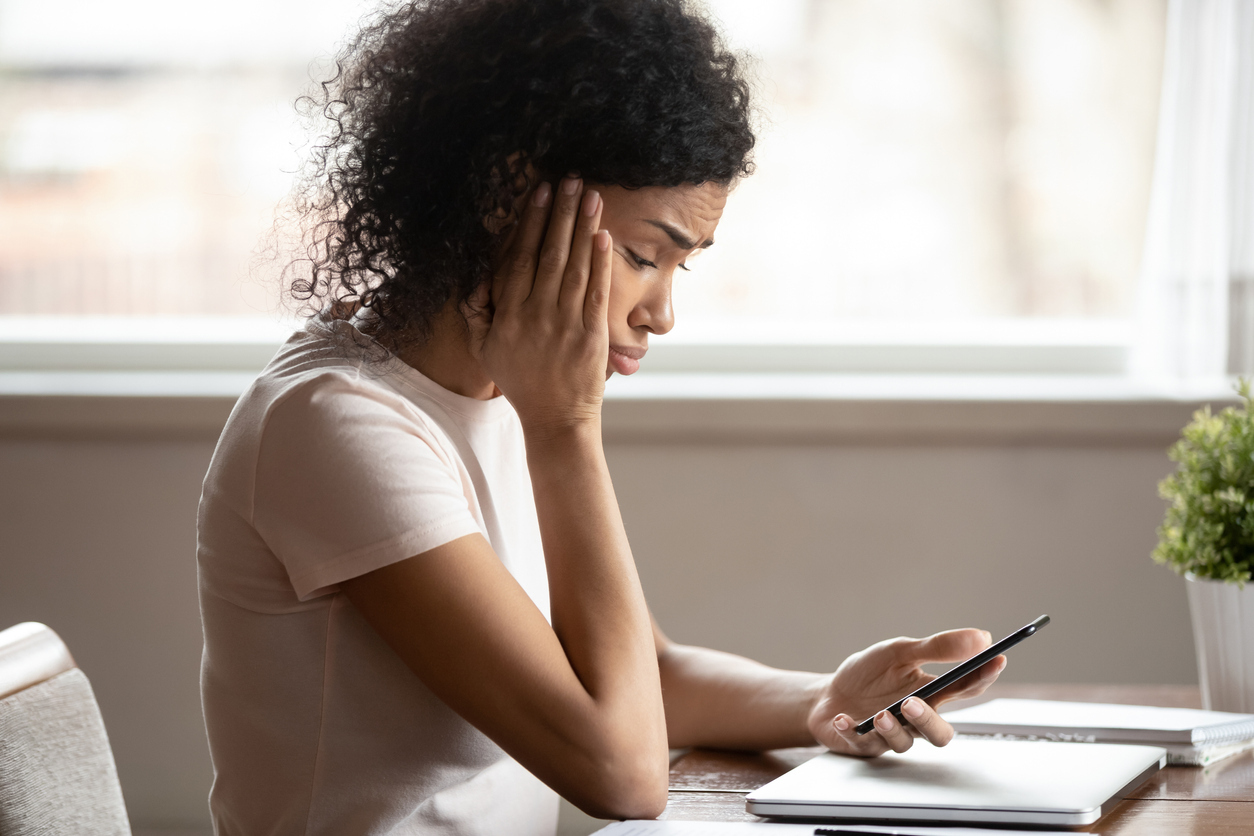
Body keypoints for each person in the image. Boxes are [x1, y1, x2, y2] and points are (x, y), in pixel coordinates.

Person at [196, 0, 1006, 833]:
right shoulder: (336, 425)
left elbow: (644, 677)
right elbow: (622, 772)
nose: (662, 314)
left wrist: (824, 701)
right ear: (508, 192)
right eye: (643, 256)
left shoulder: (498, 395)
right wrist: (565, 428)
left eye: (680, 267)